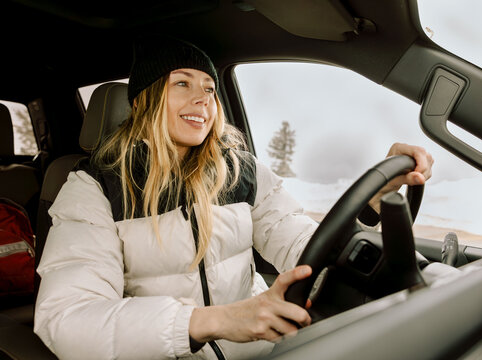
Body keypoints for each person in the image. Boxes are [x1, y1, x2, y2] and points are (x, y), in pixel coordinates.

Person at [33, 34, 434, 360]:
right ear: (143, 100)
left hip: (266, 349)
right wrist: (213, 321)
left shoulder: (243, 171)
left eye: (209, 88)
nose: (202, 100)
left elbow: (304, 246)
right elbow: (68, 320)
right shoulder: (94, 187)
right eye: (182, 84)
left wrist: (375, 202)